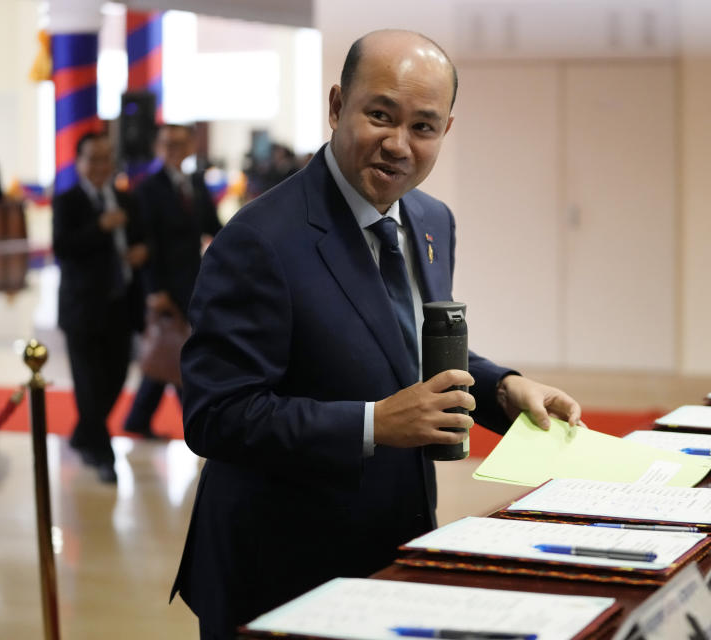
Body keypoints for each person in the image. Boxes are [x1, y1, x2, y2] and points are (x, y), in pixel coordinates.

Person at [170, 29, 584, 638]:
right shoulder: (260, 239)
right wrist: (372, 423)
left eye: (423, 126)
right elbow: (216, 414)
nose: (398, 145)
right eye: (380, 115)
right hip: (278, 567)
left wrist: (504, 390)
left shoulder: (430, 219)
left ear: (446, 130)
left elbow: (402, 341)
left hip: (391, 545)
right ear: (337, 106)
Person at [52, 132, 148, 483]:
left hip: (121, 305)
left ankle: (83, 434)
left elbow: (142, 239)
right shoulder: (68, 201)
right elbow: (62, 248)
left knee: (116, 378)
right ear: (79, 162)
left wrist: (142, 251)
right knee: (89, 385)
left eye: (105, 159)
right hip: (82, 309)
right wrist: (99, 227)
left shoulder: (126, 199)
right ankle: (101, 455)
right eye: (92, 159)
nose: (99, 166)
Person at [124, 123, 222, 438]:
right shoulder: (147, 189)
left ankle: (139, 418)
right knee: (177, 350)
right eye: (167, 144)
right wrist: (155, 290)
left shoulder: (195, 184)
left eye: (179, 144)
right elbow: (145, 243)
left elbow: (215, 229)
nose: (173, 150)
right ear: (157, 148)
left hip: (193, 282)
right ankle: (198, 423)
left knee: (174, 349)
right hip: (163, 285)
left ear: (190, 147)